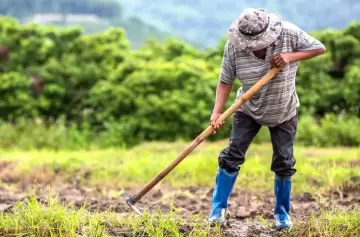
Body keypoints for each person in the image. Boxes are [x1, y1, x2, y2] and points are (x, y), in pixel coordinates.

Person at [208, 8, 326, 229]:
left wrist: (290, 57)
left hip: (284, 109)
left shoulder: (289, 34)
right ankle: (217, 211)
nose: (253, 46)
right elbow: (225, 80)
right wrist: (216, 112)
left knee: (284, 162)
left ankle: (282, 214)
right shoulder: (234, 46)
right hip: (247, 108)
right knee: (232, 155)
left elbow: (319, 48)